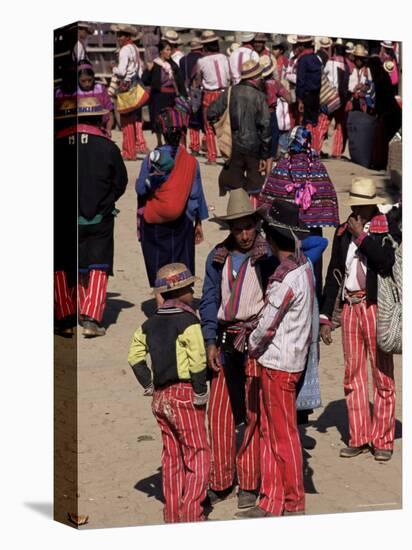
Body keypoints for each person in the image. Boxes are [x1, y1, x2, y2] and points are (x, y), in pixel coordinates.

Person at [236, 199, 314, 518]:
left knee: (282, 436)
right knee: (274, 433)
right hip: (289, 361)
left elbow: (266, 325)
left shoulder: (286, 278)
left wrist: (250, 343)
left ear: (272, 236)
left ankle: (293, 503)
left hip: (279, 365)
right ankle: (273, 498)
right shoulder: (304, 266)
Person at [320, 177, 401, 461]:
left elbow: (385, 262)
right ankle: (359, 435)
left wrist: (362, 237)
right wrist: (325, 316)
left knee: (382, 374)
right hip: (351, 306)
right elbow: (334, 273)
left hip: (375, 306)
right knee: (352, 374)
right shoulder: (342, 233)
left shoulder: (385, 229)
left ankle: (383, 439)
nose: (358, 209)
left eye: (362, 205)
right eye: (355, 203)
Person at [128, 263, 210, 523]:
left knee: (171, 455)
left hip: (160, 397)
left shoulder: (148, 324)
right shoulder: (188, 321)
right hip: (185, 394)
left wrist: (148, 384)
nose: (192, 293)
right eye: (190, 288)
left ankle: (172, 512)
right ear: (183, 291)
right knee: (198, 452)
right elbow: (197, 359)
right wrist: (200, 390)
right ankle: (191, 511)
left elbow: (134, 357)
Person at [135, 107, 208, 305]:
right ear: (183, 132)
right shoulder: (191, 162)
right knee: (180, 267)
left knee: (159, 267)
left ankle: (162, 310)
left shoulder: (152, 159)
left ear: (162, 132)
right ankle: (182, 307)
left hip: (155, 224)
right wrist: (198, 224)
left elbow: (141, 189)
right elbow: (196, 196)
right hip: (182, 223)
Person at [258, 125, 339, 301]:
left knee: (283, 269)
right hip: (311, 233)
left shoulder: (281, 168)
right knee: (311, 270)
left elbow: (266, 203)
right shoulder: (318, 169)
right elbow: (329, 198)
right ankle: (313, 305)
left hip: (284, 233)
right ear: (308, 142)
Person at [77, 97, 128, 337]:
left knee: (78, 264)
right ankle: (91, 318)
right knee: (98, 264)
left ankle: (78, 308)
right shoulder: (107, 146)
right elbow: (121, 182)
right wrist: (107, 201)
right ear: (100, 118)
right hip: (100, 216)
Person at [207, 59, 271, 201]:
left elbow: (211, 112)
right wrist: (264, 155)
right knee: (255, 185)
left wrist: (222, 130)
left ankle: (237, 216)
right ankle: (251, 217)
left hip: (233, 146)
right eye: (260, 75)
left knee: (234, 184)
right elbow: (265, 127)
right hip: (254, 148)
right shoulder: (260, 96)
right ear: (255, 78)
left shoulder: (229, 92)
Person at [111, 23, 148, 159]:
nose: (118, 38)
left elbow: (121, 71)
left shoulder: (124, 50)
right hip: (135, 85)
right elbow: (140, 70)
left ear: (126, 36)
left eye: (120, 35)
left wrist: (113, 69)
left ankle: (129, 152)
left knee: (126, 120)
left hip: (126, 86)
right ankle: (135, 148)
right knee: (134, 119)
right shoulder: (134, 48)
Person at [194, 30, 231, 165]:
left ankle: (212, 156)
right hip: (224, 93)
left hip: (209, 95)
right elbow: (229, 76)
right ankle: (228, 154)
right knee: (225, 125)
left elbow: (198, 81)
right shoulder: (225, 58)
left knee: (209, 126)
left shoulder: (201, 61)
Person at [143, 39, 187, 147]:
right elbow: (145, 80)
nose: (169, 52)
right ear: (161, 51)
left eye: (170, 50)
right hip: (158, 97)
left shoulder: (173, 65)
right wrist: (148, 70)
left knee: (171, 120)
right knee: (159, 120)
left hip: (171, 97)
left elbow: (180, 81)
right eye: (167, 50)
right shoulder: (155, 65)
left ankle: (169, 141)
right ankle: (159, 141)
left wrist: (184, 95)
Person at [368, 55, 402, 170]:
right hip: (390, 112)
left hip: (389, 113)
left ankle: (379, 164)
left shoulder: (380, 78)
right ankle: (380, 163)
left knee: (381, 139)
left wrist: (378, 112)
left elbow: (382, 99)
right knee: (382, 139)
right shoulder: (383, 76)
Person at [319, 41, 351, 158]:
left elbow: (324, 75)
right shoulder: (347, 65)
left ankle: (317, 148)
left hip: (331, 97)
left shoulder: (330, 62)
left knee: (323, 122)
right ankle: (336, 152)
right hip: (342, 98)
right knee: (339, 124)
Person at [260, 55, 291, 163]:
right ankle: (268, 173)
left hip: (259, 115)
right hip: (271, 115)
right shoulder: (276, 84)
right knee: (272, 145)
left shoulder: (258, 84)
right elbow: (289, 98)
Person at [295, 35, 322, 143]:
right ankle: (314, 147)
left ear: (302, 45)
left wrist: (300, 99)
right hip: (316, 95)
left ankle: (305, 148)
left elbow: (300, 81)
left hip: (306, 95)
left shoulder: (303, 59)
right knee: (314, 122)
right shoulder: (316, 58)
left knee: (305, 122)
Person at [180, 38, 204, 155]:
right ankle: (207, 146)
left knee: (191, 120)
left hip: (187, 92)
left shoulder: (183, 60)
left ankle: (194, 145)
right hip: (202, 91)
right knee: (203, 120)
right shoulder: (203, 59)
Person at [77, 62, 114, 137]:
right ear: (78, 79)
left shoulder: (100, 89)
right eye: (83, 81)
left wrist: (108, 129)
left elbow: (110, 112)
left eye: (90, 80)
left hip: (100, 129)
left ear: (93, 77)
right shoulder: (75, 92)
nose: (87, 84)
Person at [348, 44, 373, 113]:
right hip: (351, 101)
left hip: (363, 102)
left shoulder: (367, 70)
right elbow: (346, 86)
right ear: (355, 57)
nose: (359, 60)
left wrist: (364, 88)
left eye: (361, 58)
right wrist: (355, 88)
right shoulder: (350, 69)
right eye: (357, 57)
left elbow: (370, 87)